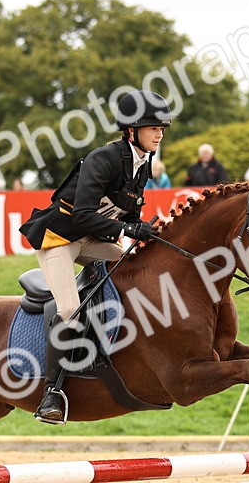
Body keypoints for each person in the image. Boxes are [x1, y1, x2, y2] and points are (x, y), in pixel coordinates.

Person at [18, 88, 172, 424]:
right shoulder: (104, 158)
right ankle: (51, 393)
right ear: (131, 130)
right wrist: (131, 230)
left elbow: (125, 212)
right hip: (60, 238)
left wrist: (143, 226)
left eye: (162, 128)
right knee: (70, 307)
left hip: (93, 240)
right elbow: (82, 215)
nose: (160, 133)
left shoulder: (142, 165)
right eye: (153, 127)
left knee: (133, 270)